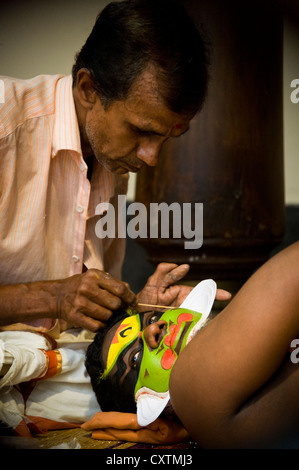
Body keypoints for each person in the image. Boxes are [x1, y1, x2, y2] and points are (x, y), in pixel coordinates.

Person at [0, 0, 211, 336]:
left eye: (166, 138)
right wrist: (52, 297)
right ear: (88, 89)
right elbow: (64, 300)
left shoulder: (113, 163)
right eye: (142, 131)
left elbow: (81, 321)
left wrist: (138, 311)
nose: (151, 157)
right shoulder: (5, 123)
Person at [85, 242, 299, 449]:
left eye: (151, 319)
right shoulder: (189, 388)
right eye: (136, 358)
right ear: (150, 411)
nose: (154, 329)